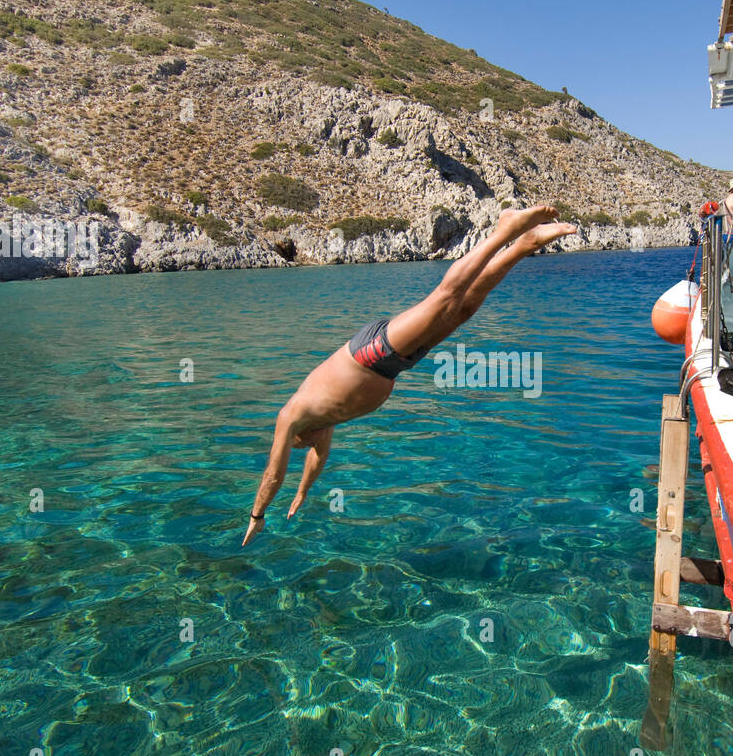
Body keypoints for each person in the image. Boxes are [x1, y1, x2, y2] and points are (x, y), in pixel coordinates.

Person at [241, 205, 577, 545]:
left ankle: (504, 231)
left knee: (444, 298)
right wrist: (301, 495)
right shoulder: (321, 425)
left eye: (298, 446)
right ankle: (524, 245)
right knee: (462, 311)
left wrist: (257, 515)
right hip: (395, 364)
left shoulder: (292, 417)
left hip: (369, 352)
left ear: (294, 438)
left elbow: (273, 473)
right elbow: (316, 461)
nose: (310, 445)